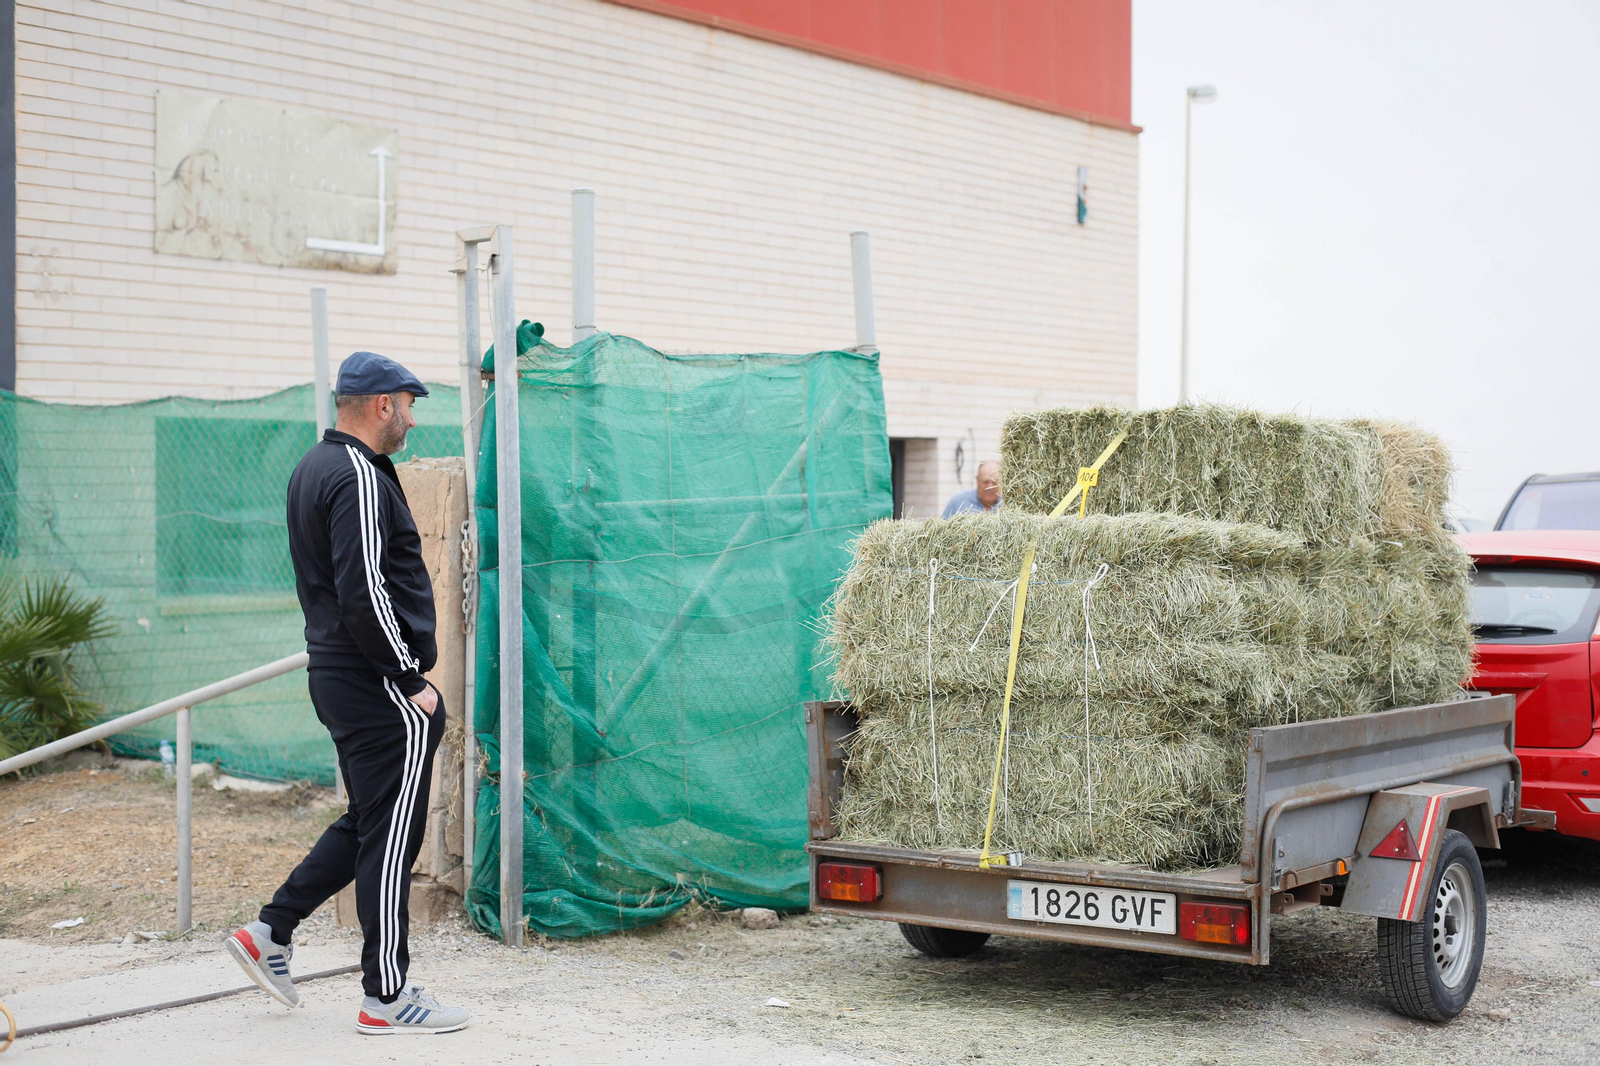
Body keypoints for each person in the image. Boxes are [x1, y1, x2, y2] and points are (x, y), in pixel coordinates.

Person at [224, 351, 471, 1036]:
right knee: (392, 838)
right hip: (375, 682)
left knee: (368, 820)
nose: (412, 421)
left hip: (339, 674)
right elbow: (364, 589)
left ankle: (271, 930)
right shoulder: (356, 472)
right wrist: (408, 679)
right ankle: (385, 997)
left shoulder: (313, 466)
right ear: (382, 405)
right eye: (408, 407)